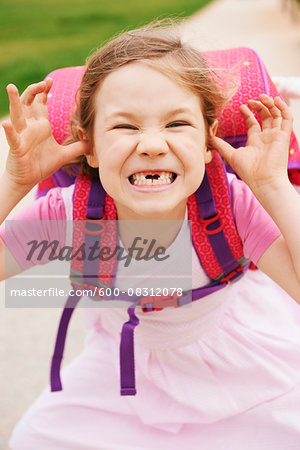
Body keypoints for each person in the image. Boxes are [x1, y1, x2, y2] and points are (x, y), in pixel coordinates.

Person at [1, 22, 300, 450]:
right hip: (124, 370)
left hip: (243, 362)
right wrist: (14, 181)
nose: (153, 145)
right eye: (125, 127)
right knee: (35, 439)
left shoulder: (230, 205)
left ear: (208, 139)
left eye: (177, 123)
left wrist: (271, 185)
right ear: (89, 145)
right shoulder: (72, 216)